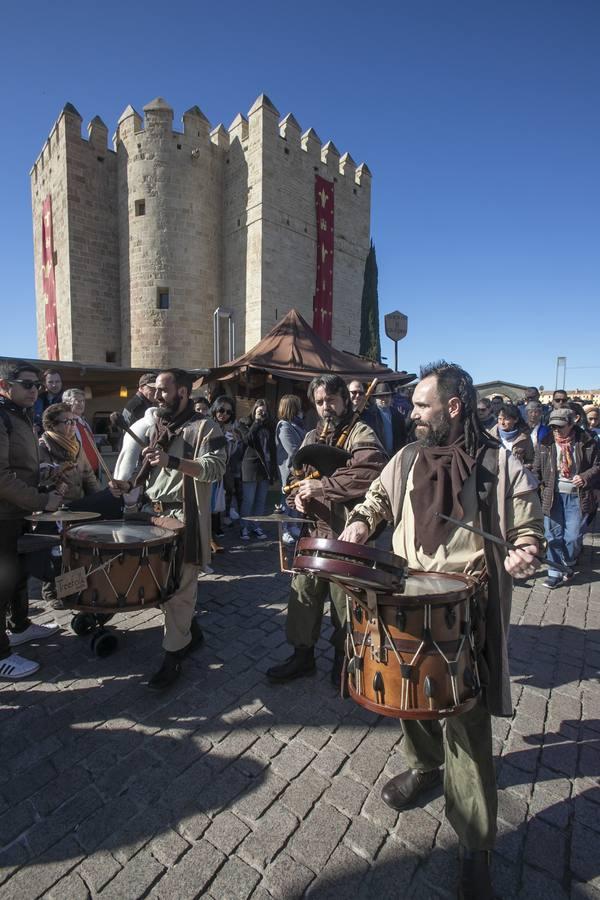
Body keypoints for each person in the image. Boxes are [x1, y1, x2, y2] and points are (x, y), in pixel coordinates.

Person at [339, 361, 544, 899]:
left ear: (453, 407)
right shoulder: (406, 458)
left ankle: (476, 846)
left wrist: (526, 549)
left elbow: (527, 524)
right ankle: (424, 767)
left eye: (421, 406)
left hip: (464, 611)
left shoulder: (499, 464)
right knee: (408, 696)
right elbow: (378, 500)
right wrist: (363, 521)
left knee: (466, 724)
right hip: (404, 601)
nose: (412, 415)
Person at [109, 369, 226, 689]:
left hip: (185, 517)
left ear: (183, 393)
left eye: (163, 390)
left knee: (178, 590)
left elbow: (215, 469)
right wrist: (126, 485)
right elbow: (145, 476)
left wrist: (172, 462)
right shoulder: (157, 428)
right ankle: (192, 632)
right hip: (152, 516)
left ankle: (173, 657)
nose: (156, 395)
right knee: (159, 586)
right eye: (156, 390)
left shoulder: (206, 427)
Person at [266, 374, 387, 685]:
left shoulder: (361, 432)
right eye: (319, 402)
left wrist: (322, 487)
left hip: (345, 534)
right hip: (312, 534)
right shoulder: (310, 438)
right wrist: (298, 499)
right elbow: (297, 482)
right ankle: (302, 656)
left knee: (344, 603)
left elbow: (370, 472)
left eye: (331, 400)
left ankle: (344, 659)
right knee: (302, 597)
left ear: (345, 399)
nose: (325, 407)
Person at [0, 361, 63, 680]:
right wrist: (41, 501)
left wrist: (41, 474)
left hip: (16, 512)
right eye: (27, 384)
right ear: (3, 385)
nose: (34, 389)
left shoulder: (19, 415)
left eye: (36, 384)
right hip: (2, 515)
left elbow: (19, 465)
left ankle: (20, 626)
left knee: (16, 575)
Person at [533, 407, 599, 589]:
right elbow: (537, 469)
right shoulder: (545, 442)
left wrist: (585, 476)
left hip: (577, 496)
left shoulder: (588, 441)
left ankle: (567, 564)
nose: (556, 430)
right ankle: (554, 573)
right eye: (553, 426)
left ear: (572, 423)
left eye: (561, 426)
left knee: (573, 536)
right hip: (552, 495)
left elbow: (597, 465)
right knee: (552, 535)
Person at [237, 399, 277, 541]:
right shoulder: (244, 423)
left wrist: (273, 469)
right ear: (254, 410)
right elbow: (247, 439)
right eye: (259, 410)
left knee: (260, 500)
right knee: (248, 500)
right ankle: (244, 527)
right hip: (250, 466)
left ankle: (256, 526)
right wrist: (257, 422)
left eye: (264, 411)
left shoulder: (270, 425)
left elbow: (272, 449)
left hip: (265, 467)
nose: (262, 413)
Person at [275, 394, 306, 545]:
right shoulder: (284, 426)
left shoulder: (297, 425)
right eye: (298, 406)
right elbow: (293, 449)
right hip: (289, 469)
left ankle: (292, 524)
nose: (301, 409)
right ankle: (283, 529)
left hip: (299, 469)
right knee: (286, 499)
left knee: (296, 497)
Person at [62, 387, 99, 477]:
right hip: (77, 476)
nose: (81, 404)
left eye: (83, 401)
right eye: (77, 401)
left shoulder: (84, 423)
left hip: (92, 475)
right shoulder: (64, 424)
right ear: (67, 403)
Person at [490, 402, 535, 468]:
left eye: (506, 419)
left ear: (516, 420)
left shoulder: (524, 437)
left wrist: (519, 468)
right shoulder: (490, 436)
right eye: (500, 419)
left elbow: (530, 460)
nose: (502, 422)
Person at [373, 382, 407, 457]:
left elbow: (403, 436)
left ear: (391, 397)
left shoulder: (398, 415)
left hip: (395, 456)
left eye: (387, 396)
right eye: (381, 396)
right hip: (377, 457)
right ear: (376, 398)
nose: (384, 399)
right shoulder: (370, 415)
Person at [33, 368, 64, 432]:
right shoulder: (37, 400)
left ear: (61, 383)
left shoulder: (66, 399)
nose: (54, 385)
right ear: (44, 383)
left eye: (57, 381)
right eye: (50, 382)